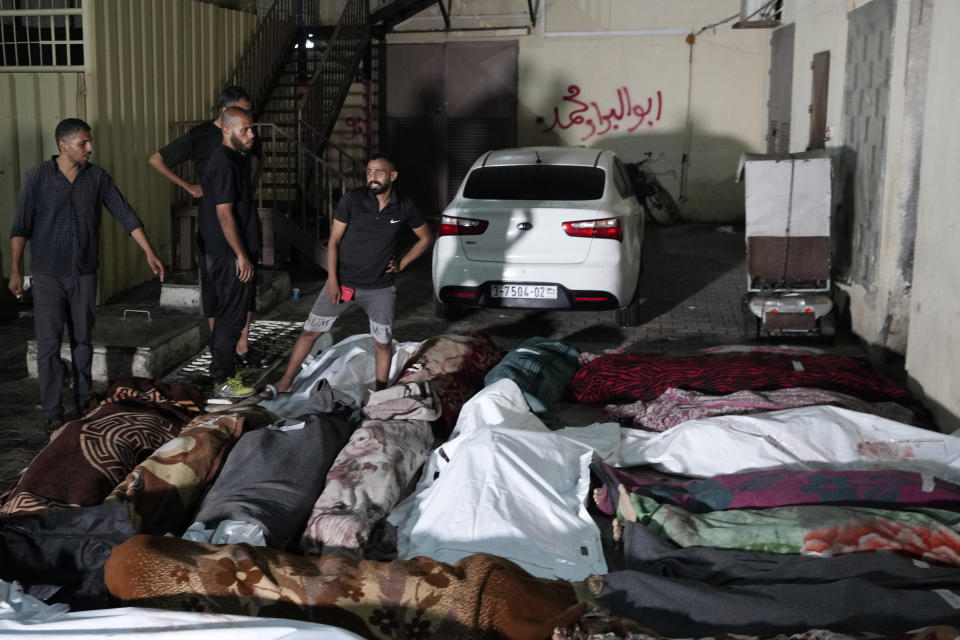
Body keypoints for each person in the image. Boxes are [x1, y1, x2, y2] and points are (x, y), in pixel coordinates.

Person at [9, 118, 165, 430]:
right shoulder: (37, 178)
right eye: (83, 143)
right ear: (63, 145)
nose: (90, 148)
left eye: (89, 142)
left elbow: (125, 214)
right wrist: (14, 269)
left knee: (83, 341)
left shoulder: (96, 178)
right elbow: (21, 227)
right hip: (48, 276)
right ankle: (53, 410)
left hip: (83, 274)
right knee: (49, 345)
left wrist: (149, 252)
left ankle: (82, 400)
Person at [261, 154, 433, 398]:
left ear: (392, 176)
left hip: (380, 289)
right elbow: (333, 242)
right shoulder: (353, 200)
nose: (372, 176)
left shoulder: (404, 206)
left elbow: (426, 237)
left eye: (379, 172)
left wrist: (403, 263)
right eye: (369, 172)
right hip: (343, 284)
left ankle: (380, 391)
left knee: (382, 343)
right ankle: (286, 381)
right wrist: (333, 281)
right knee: (310, 332)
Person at [148, 85, 266, 367]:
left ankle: (235, 352)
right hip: (220, 234)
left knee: (241, 296)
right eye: (244, 122)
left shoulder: (240, 145)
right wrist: (189, 186)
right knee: (224, 298)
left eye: (250, 121)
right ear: (227, 120)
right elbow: (224, 213)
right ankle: (222, 365)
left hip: (241, 225)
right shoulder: (217, 153)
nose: (251, 131)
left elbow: (257, 163)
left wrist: (245, 190)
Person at [199, 107, 261, 397]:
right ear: (227, 130)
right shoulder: (223, 161)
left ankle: (226, 369)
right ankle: (222, 378)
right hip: (229, 254)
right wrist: (241, 255)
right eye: (245, 130)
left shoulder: (235, 159)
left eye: (251, 129)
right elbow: (224, 213)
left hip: (231, 252)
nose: (251, 134)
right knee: (231, 317)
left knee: (233, 314)